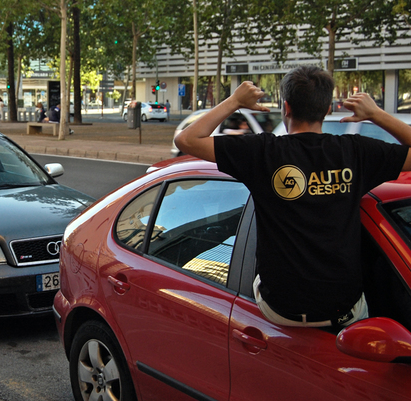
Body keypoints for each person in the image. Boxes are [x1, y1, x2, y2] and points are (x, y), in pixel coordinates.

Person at [175, 65, 411, 328]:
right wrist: (376, 114)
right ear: (328, 109)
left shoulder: (263, 151)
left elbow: (186, 139)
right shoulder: (355, 153)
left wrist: (235, 101)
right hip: (343, 310)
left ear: (286, 107)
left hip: (279, 307)